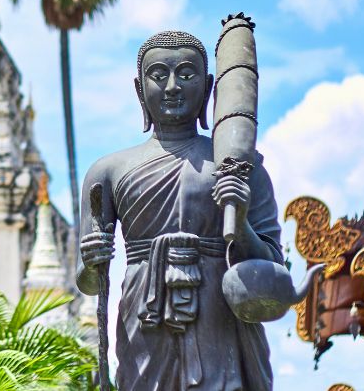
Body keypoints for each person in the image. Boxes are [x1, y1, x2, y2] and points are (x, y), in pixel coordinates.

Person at [78, 30, 282, 390]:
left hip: (221, 322)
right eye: (159, 75)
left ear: (207, 88)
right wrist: (94, 260)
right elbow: (89, 282)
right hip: (145, 321)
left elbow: (272, 268)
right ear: (140, 89)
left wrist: (242, 220)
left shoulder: (239, 166)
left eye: (186, 75)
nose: (172, 86)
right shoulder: (107, 172)